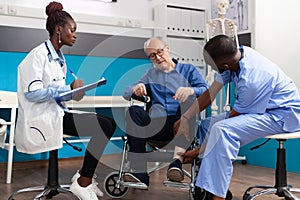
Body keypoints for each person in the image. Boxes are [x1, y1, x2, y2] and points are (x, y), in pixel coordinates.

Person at [174, 35, 300, 200]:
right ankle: (206, 186)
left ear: (224, 66)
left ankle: (217, 195)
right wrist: (186, 117)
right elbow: (210, 93)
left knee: (222, 130)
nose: (213, 70)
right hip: (264, 109)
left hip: (283, 115)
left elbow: (233, 118)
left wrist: (197, 152)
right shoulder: (238, 56)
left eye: (213, 66)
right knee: (207, 124)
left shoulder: (252, 78)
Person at [15, 2, 116, 200]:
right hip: (41, 118)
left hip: (56, 114)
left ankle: (83, 178)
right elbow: (32, 93)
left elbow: (55, 93)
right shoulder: (38, 55)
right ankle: (82, 182)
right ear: (59, 29)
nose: (75, 35)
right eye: (73, 30)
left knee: (108, 123)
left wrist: (72, 94)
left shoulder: (59, 58)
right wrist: (68, 88)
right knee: (103, 125)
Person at [122, 36, 208, 188]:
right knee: (133, 110)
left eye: (160, 52)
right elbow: (126, 93)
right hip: (157, 126)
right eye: (152, 56)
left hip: (182, 124)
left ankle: (176, 164)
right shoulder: (150, 75)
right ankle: (140, 172)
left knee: (188, 103)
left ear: (167, 48)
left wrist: (190, 90)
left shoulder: (189, 70)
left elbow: (205, 90)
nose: (157, 57)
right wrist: (137, 88)